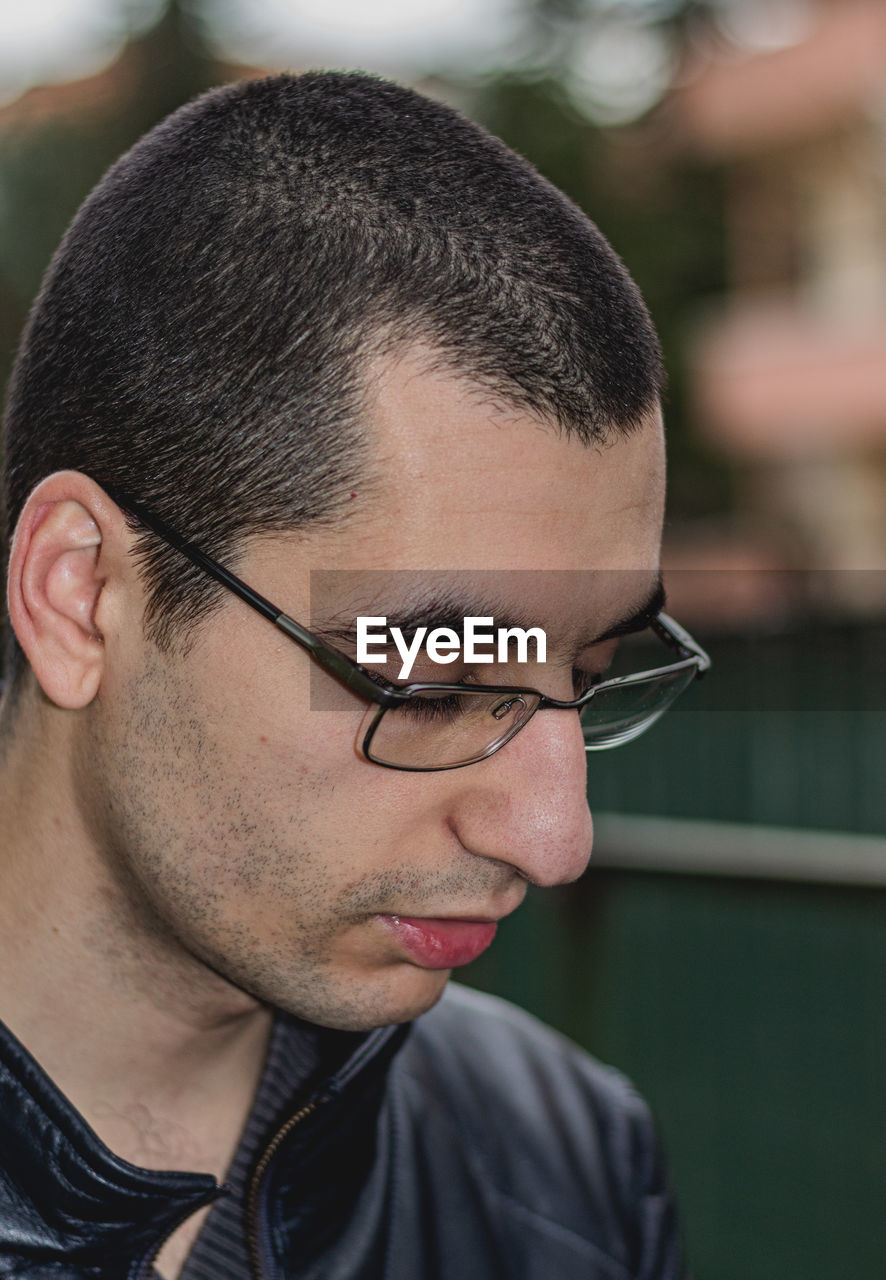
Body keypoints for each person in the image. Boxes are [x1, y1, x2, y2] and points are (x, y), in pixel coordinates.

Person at [0, 71, 705, 1279]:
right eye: (432, 680)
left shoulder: (568, 1169)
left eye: (586, 672)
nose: (555, 835)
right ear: (82, 595)